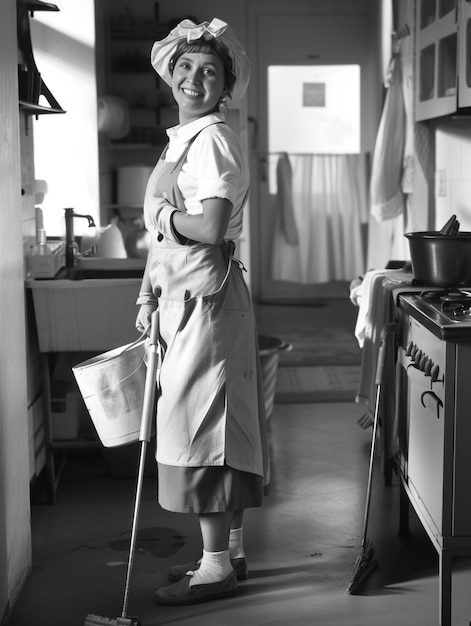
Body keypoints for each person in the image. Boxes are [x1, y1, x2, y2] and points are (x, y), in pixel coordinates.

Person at [135, 17, 270, 605]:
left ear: (225, 85)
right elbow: (166, 239)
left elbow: (206, 227)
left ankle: (215, 567)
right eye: (186, 67)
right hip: (191, 297)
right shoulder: (183, 140)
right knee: (220, 424)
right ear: (170, 73)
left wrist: (163, 218)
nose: (194, 78)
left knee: (200, 427)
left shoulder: (211, 138)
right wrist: (147, 294)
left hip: (204, 300)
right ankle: (228, 554)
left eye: (209, 71)